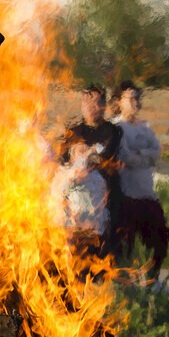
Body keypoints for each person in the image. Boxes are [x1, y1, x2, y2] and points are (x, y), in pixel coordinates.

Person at [112, 82, 169, 281]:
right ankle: (123, 285)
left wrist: (140, 154)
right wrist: (142, 157)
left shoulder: (145, 127)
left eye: (138, 97)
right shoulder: (116, 127)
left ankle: (151, 280)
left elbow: (156, 153)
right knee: (125, 245)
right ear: (118, 102)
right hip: (128, 196)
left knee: (160, 238)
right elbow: (125, 157)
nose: (136, 102)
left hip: (147, 194)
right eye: (131, 98)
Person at [55, 85, 122, 258]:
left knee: (102, 253)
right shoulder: (73, 131)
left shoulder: (113, 131)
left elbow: (107, 158)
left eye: (95, 102)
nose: (90, 107)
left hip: (105, 200)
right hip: (76, 205)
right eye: (86, 102)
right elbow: (63, 162)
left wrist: (85, 157)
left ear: (103, 106)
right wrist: (86, 157)